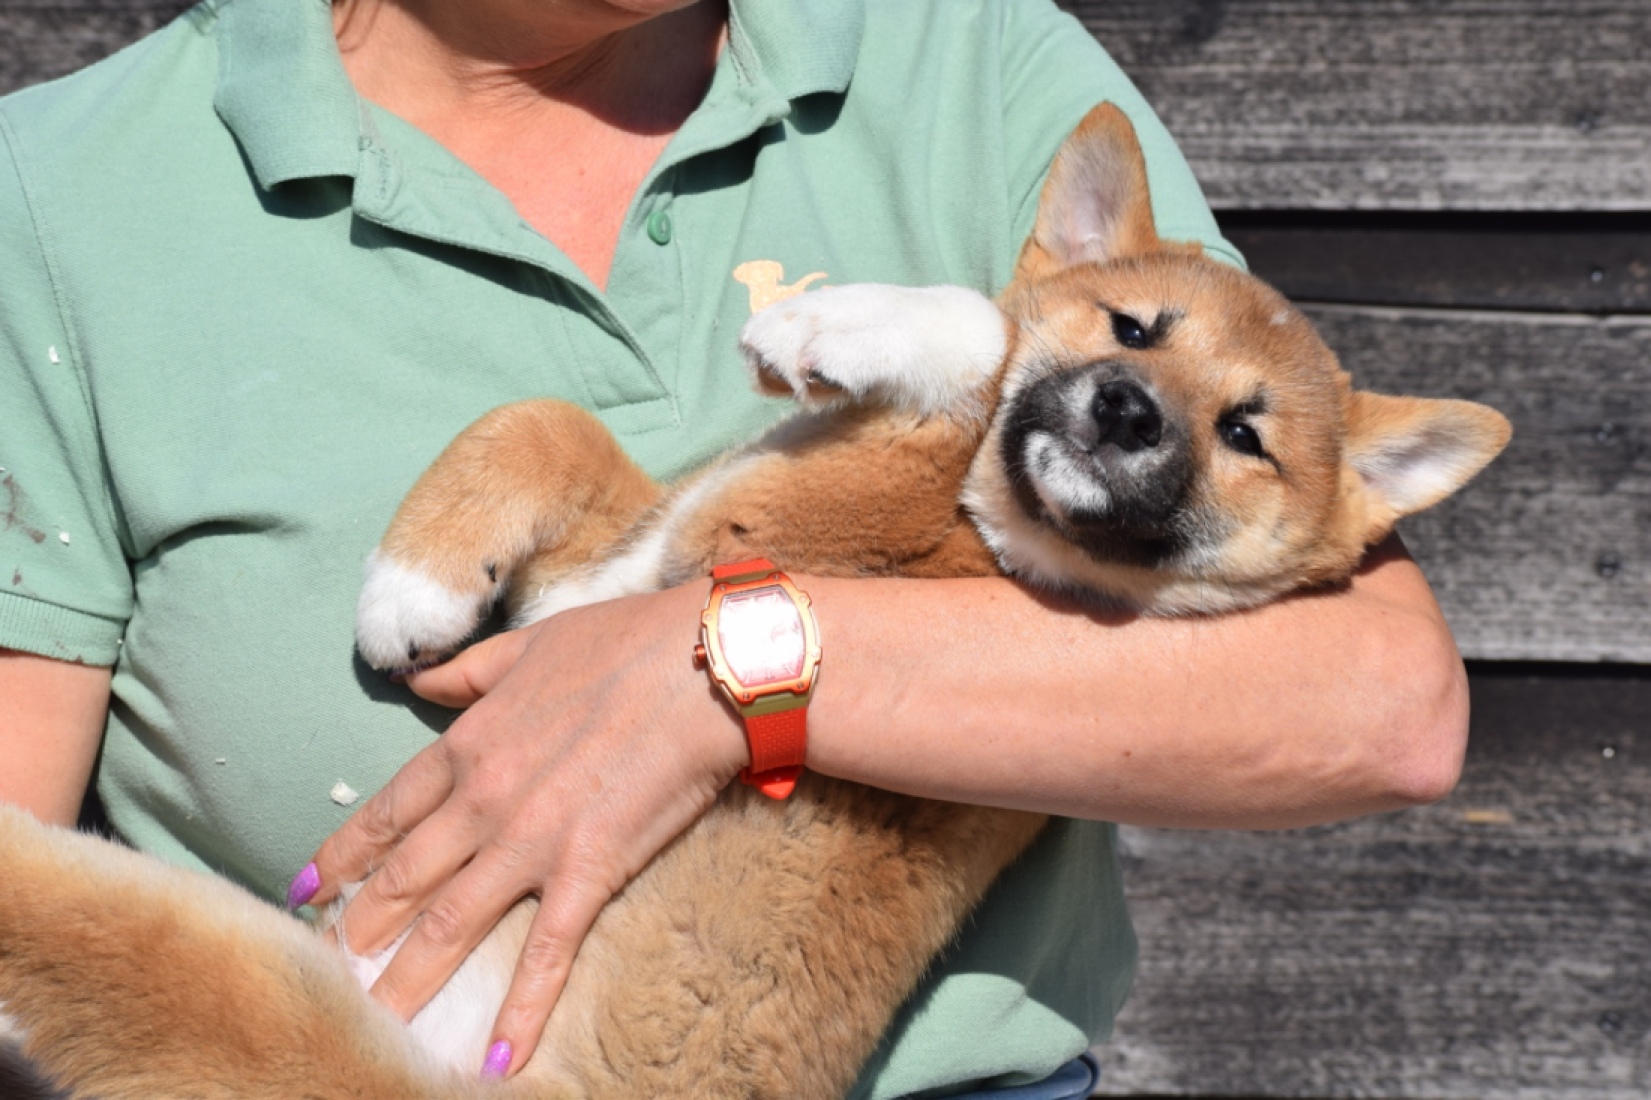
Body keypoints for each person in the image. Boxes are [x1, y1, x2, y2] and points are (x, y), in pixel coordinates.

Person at [0, 0, 1469, 1095]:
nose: (1146, 395)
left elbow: (1382, 704)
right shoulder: (63, 197)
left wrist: (715, 671)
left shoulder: (962, 56)